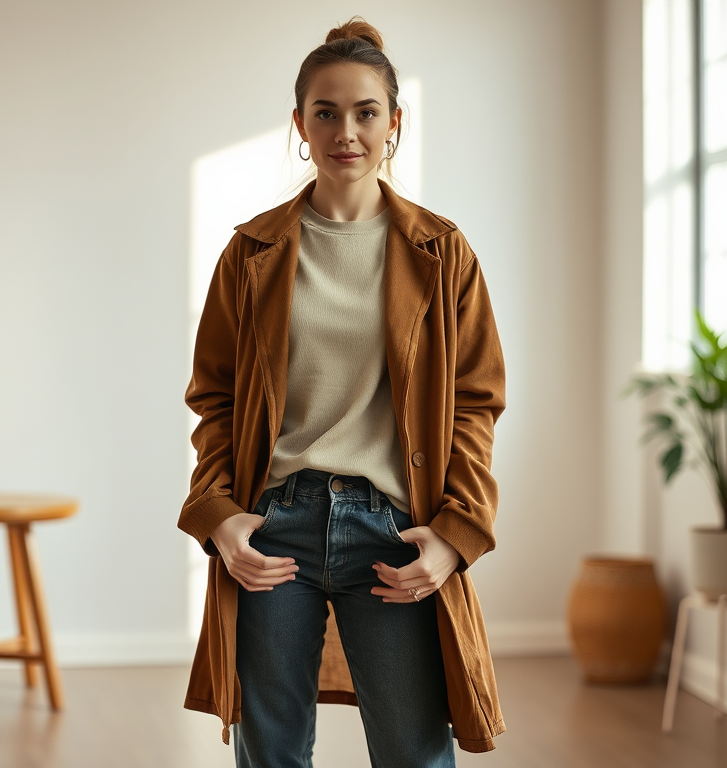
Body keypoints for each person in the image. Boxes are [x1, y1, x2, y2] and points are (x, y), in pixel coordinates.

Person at [179, 17, 506, 768]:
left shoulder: (441, 253)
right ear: (299, 124)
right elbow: (216, 402)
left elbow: (476, 404)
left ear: (396, 122)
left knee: (415, 753)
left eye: (365, 111)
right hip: (275, 528)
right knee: (272, 754)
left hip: (391, 533)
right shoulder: (252, 252)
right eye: (325, 112)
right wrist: (220, 518)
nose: (346, 131)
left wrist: (458, 536)